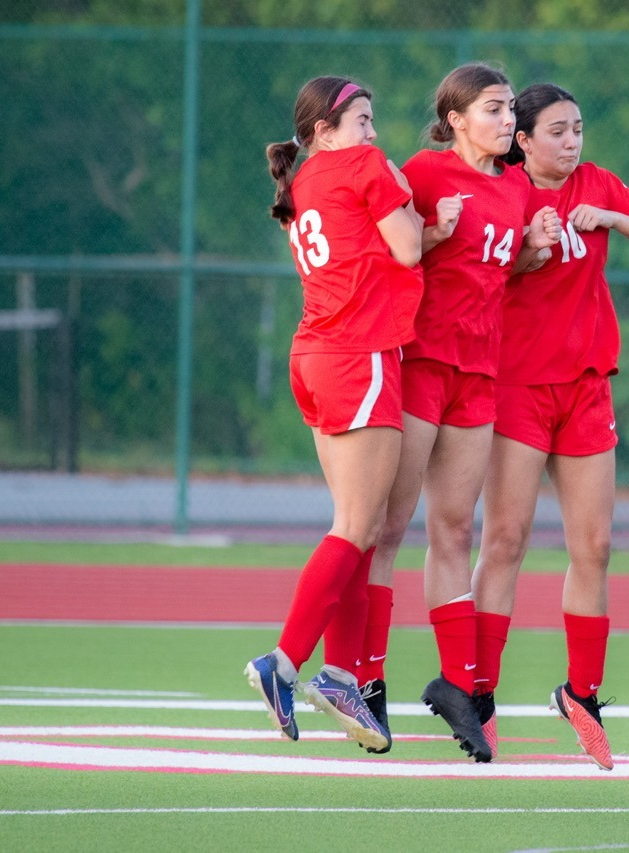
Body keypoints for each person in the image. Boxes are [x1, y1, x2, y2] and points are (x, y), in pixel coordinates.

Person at [355, 62, 560, 762]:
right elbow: (386, 247)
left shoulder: (514, 187)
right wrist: (432, 234)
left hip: (478, 373)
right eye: (496, 110)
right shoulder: (424, 170)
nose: (509, 122)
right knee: (388, 526)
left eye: (509, 110)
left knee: (454, 530)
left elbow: (498, 272)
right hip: (419, 362)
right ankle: (366, 677)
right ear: (455, 119)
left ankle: (459, 688)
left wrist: (532, 254)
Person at [471, 82, 629, 770]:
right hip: (519, 387)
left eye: (578, 128)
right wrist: (530, 247)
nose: (572, 140)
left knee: (594, 543)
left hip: (586, 386)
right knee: (505, 539)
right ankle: (479, 693)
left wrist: (614, 219)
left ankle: (582, 694)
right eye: (557, 131)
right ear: (522, 141)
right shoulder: (503, 193)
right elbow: (485, 282)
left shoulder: (597, 184)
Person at [244, 76, 424, 754]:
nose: (372, 133)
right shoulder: (362, 165)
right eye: (361, 120)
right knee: (356, 524)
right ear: (323, 130)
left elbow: (368, 247)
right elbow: (406, 247)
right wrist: (411, 198)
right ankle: (284, 662)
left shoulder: (304, 184)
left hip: (315, 354)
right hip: (360, 353)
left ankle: (341, 674)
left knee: (366, 524)